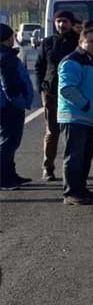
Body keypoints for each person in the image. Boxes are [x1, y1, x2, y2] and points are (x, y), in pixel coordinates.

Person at [57, 26, 93, 205]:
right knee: (74, 156)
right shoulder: (72, 61)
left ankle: (81, 188)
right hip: (75, 117)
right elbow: (67, 88)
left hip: (89, 118)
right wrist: (85, 105)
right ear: (81, 42)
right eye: (91, 41)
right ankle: (71, 192)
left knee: (85, 156)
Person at [34, 10, 79, 181]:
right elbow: (39, 66)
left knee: (72, 132)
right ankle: (48, 168)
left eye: (65, 21)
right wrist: (41, 88)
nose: (61, 24)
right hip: (51, 93)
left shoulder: (78, 41)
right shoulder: (47, 42)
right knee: (52, 132)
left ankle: (73, 169)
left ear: (71, 23)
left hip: (73, 94)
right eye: (58, 21)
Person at [0, 23, 35, 190]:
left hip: (7, 104)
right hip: (8, 106)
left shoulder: (6, 55)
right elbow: (9, 85)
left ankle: (10, 174)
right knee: (8, 141)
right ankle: (4, 179)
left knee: (10, 142)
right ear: (8, 38)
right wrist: (19, 101)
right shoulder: (5, 57)